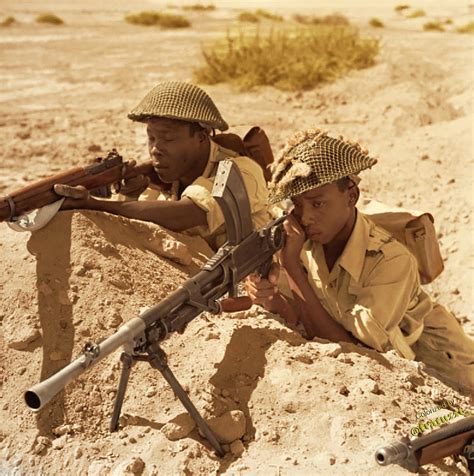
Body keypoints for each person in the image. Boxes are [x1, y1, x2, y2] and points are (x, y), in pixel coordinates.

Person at [245, 128, 474, 395]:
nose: (305, 217)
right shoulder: (304, 242)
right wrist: (271, 297)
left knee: (451, 425)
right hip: (393, 357)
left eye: (318, 204)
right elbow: (304, 317)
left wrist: (292, 268)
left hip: (444, 363)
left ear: (351, 196)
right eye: (298, 204)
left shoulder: (392, 260)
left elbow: (358, 354)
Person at [55, 81, 269, 250]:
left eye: (167, 139)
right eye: (151, 138)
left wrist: (94, 204)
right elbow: (135, 229)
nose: (155, 149)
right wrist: (130, 196)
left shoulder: (241, 172)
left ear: (202, 137)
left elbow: (185, 214)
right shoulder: (167, 171)